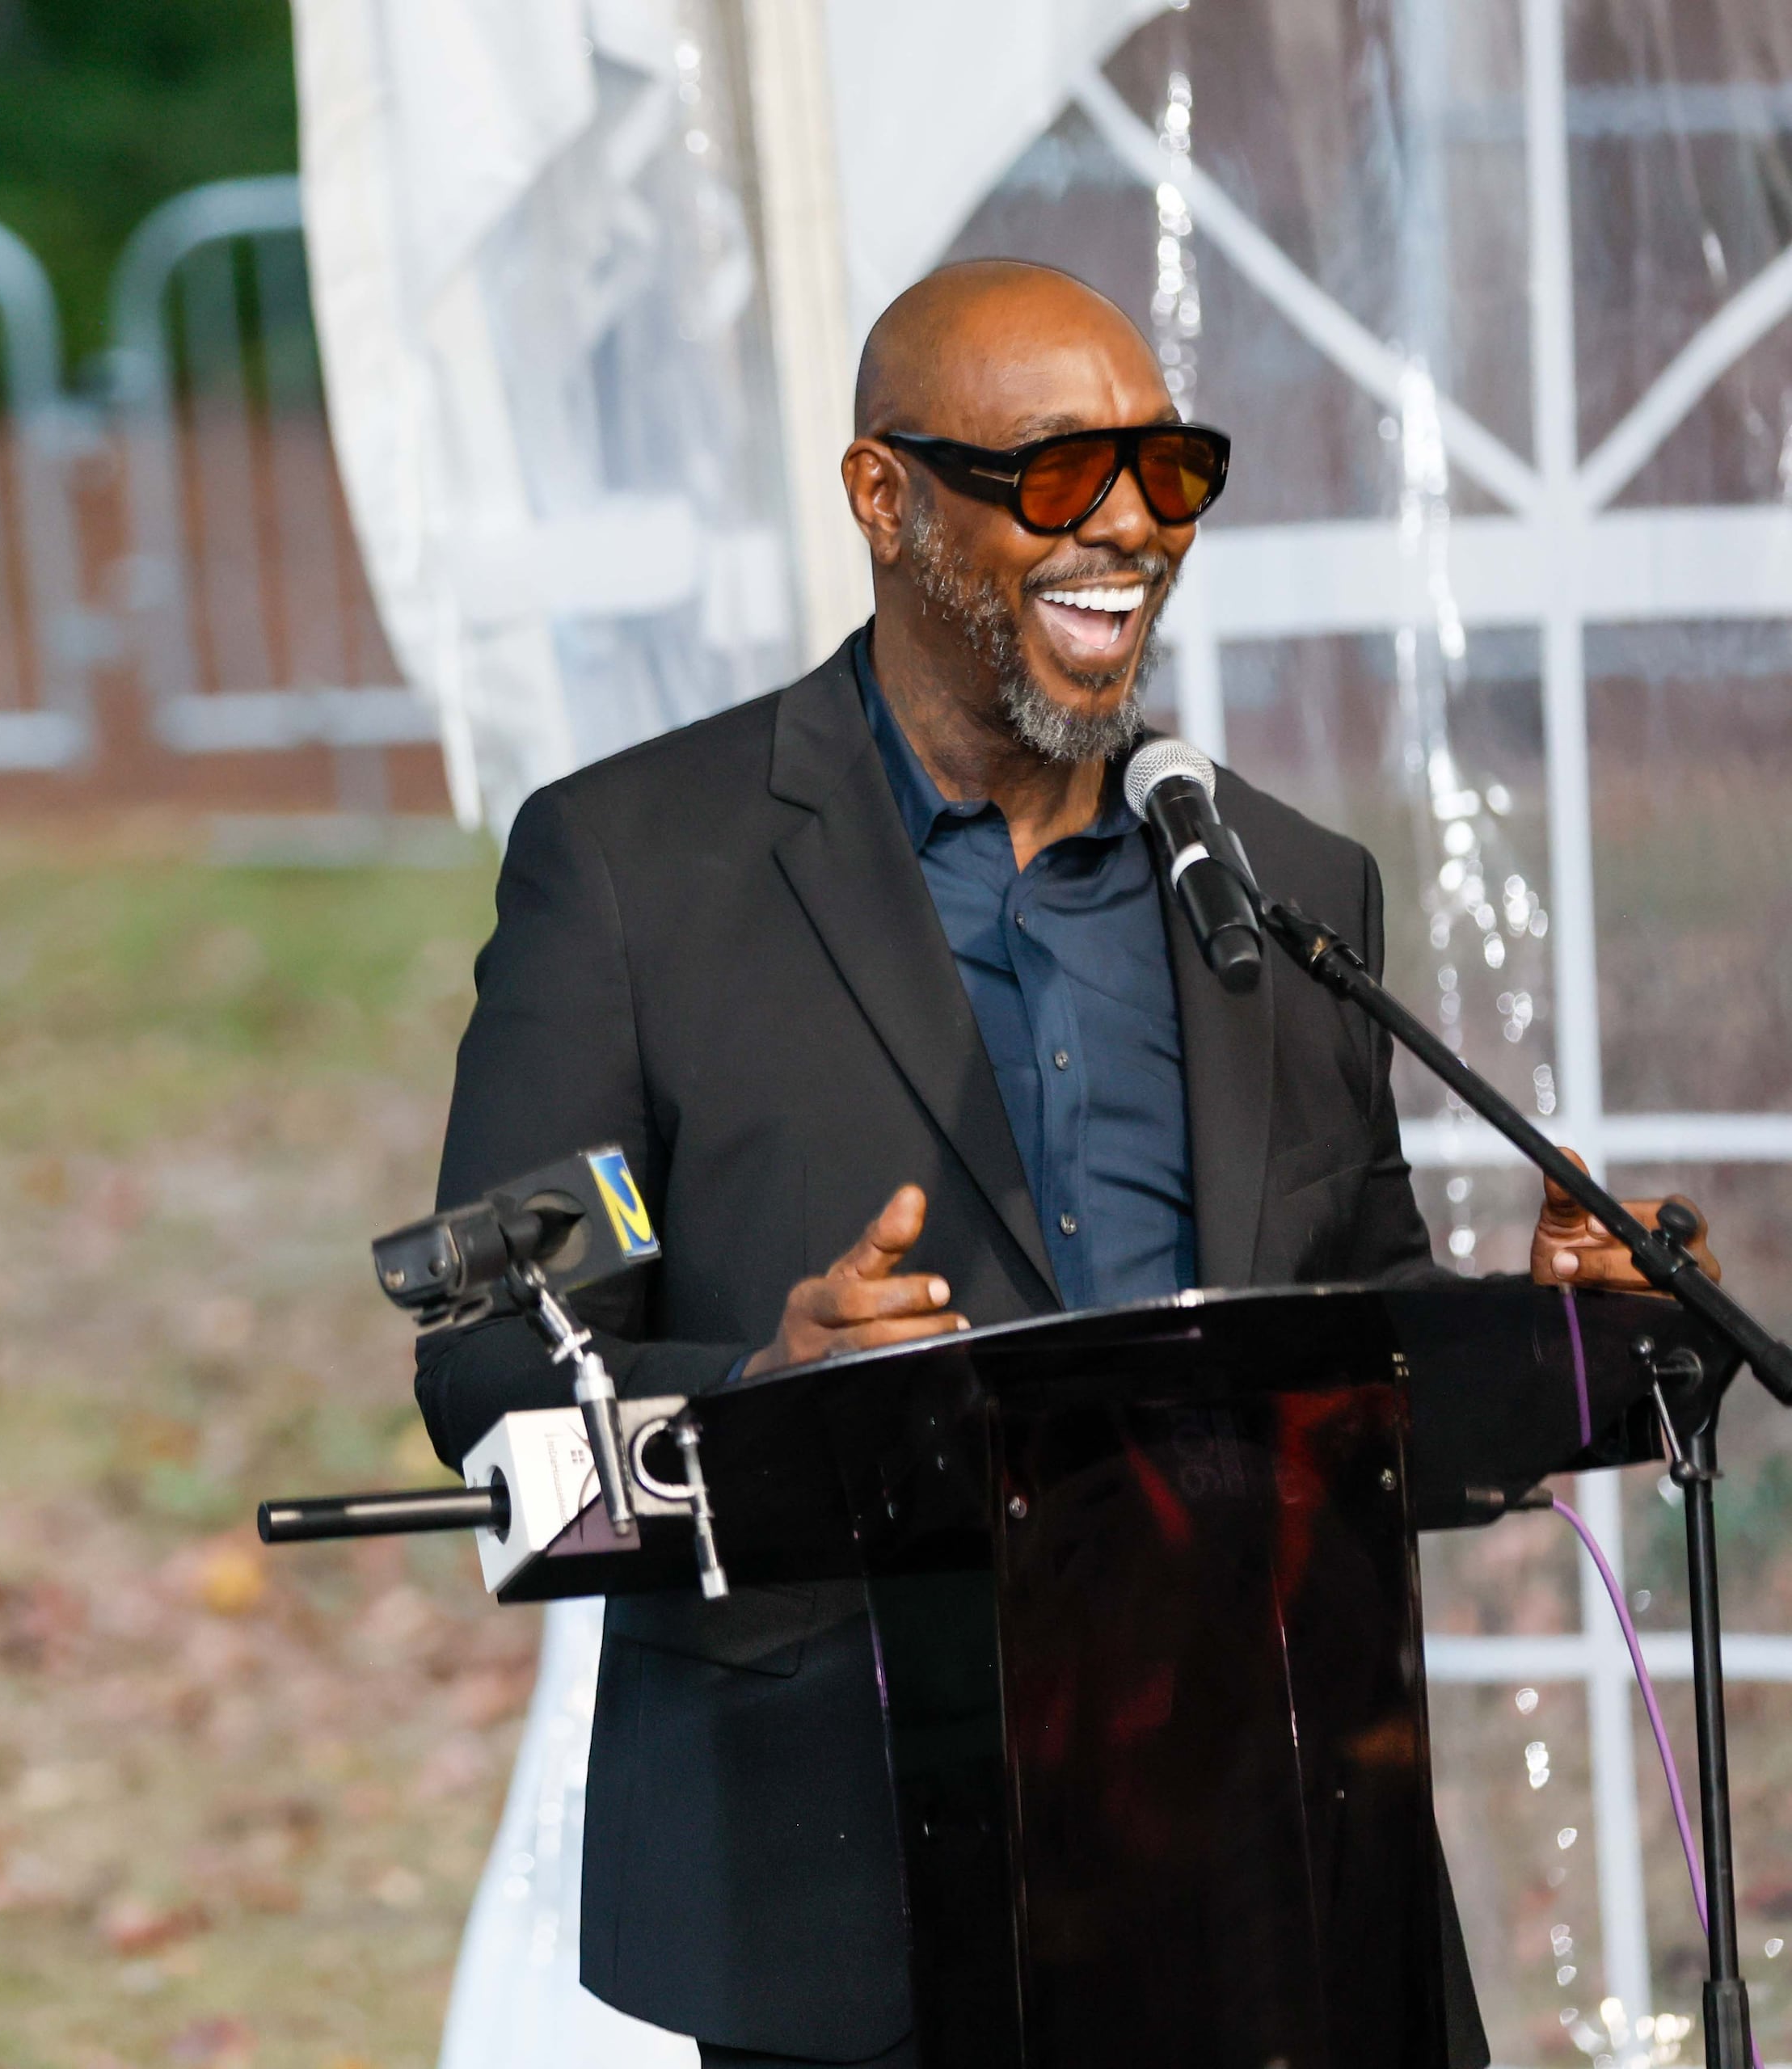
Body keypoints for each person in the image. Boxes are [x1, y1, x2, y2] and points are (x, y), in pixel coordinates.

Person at [414, 259, 1714, 2069]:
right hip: (859, 1895)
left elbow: (1351, 1336)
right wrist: (763, 1397)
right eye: (1055, 474)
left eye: (1168, 470)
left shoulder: (1279, 889)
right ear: (883, 495)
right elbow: (487, 1355)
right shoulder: (633, 871)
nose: (1125, 523)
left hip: (1278, 1874)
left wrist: (1541, 1338)